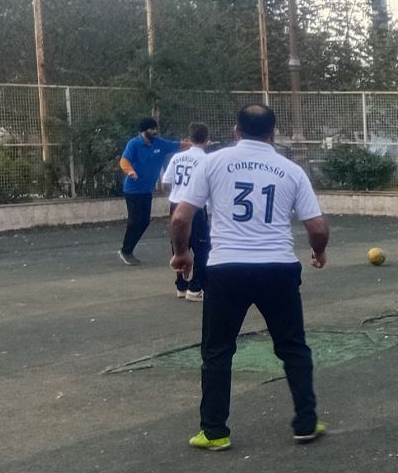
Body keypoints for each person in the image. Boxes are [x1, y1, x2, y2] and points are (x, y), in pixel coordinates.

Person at [170, 103, 329, 452]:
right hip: (278, 268)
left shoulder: (213, 162)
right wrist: (318, 252)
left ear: (236, 129)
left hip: (226, 269)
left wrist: (182, 253)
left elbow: (181, 217)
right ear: (272, 132)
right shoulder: (291, 170)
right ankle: (305, 422)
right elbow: (317, 227)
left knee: (217, 351)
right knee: (293, 347)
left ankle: (214, 431)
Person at [117, 117, 181, 265]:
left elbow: (177, 145)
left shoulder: (159, 143)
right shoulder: (134, 143)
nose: (155, 131)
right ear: (144, 130)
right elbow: (124, 160)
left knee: (144, 221)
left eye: (155, 128)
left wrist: (196, 144)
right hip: (133, 190)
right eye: (152, 129)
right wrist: (130, 171)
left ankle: (127, 249)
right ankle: (126, 251)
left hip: (146, 190)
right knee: (135, 221)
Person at [164, 123, 212, 300]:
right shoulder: (207, 160)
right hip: (196, 206)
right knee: (202, 247)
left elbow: (166, 182)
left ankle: (181, 285)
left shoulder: (177, 157)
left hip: (176, 203)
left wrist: (177, 192)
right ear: (207, 139)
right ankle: (196, 287)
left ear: (190, 138)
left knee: (179, 244)